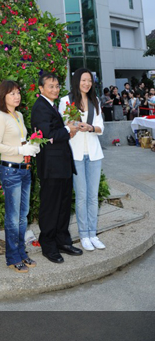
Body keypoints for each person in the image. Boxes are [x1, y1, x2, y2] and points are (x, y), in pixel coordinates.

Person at [30, 71, 82, 264]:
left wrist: (66, 130)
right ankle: (48, 244)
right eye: (50, 86)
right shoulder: (40, 107)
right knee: (51, 207)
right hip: (51, 167)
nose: (55, 89)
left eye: (57, 86)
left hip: (62, 165)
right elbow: (48, 134)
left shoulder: (50, 105)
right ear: (41, 88)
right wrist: (68, 129)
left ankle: (63, 241)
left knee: (63, 205)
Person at [0, 80, 40, 273]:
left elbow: (20, 139)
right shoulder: (0, 117)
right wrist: (20, 148)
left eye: (18, 92)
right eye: (12, 93)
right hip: (10, 170)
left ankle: (21, 252)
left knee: (23, 215)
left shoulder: (18, 115)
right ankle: (12, 257)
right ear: (3, 96)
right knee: (13, 218)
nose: (17, 96)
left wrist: (31, 146)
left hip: (24, 168)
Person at [59, 68, 106, 252]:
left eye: (89, 81)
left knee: (93, 196)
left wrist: (91, 127)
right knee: (81, 196)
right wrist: (74, 126)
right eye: (83, 80)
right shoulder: (66, 100)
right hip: (76, 153)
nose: (86, 84)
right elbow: (63, 125)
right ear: (76, 81)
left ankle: (93, 234)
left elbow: (101, 127)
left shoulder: (95, 101)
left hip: (94, 153)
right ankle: (84, 234)